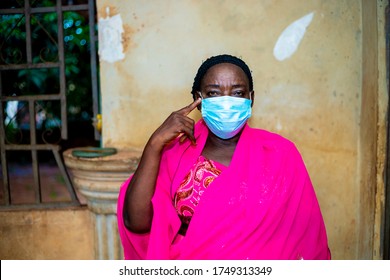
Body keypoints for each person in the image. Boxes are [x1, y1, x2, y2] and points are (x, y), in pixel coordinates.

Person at [117, 54, 331, 260]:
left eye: (237, 93)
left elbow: (307, 235)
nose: (226, 101)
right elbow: (136, 223)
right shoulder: (176, 152)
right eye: (213, 93)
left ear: (251, 99)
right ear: (197, 100)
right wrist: (154, 144)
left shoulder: (281, 154)